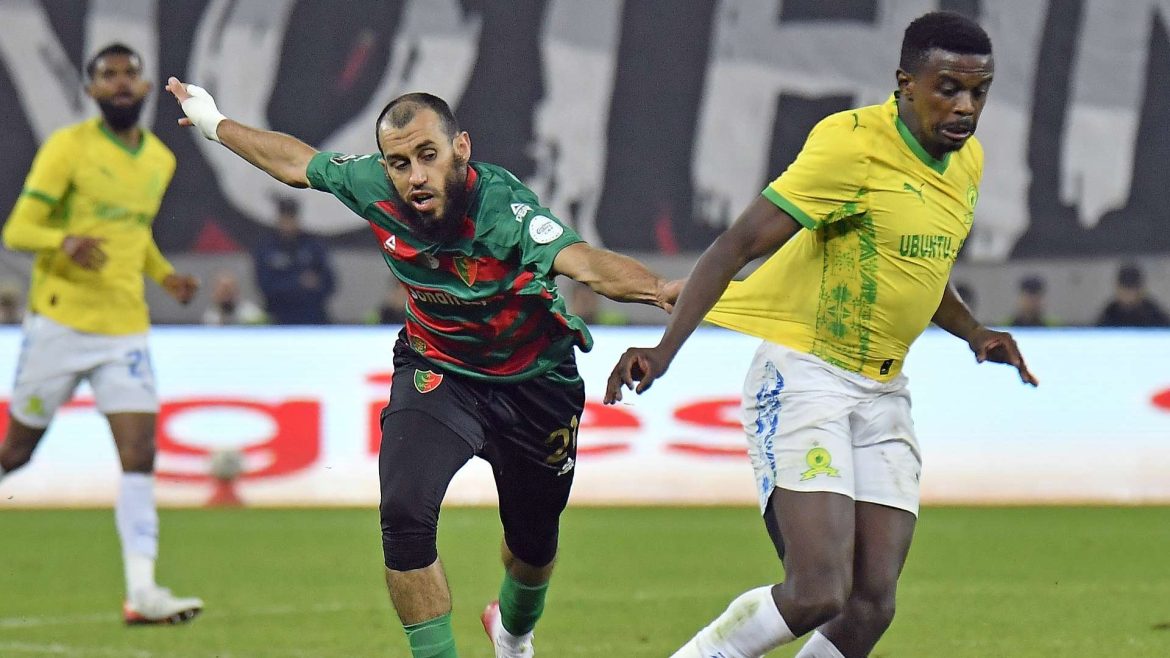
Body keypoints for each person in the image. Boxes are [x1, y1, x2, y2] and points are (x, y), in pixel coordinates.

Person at [165, 80, 680, 657]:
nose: (414, 177)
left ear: (461, 147)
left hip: (535, 383)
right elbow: (296, 163)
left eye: (427, 156)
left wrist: (659, 289)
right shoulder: (373, 186)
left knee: (534, 547)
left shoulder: (504, 210)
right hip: (439, 371)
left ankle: (512, 637)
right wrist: (213, 122)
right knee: (404, 513)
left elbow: (583, 261)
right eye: (399, 163)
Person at [605, 12, 1037, 658]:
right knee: (816, 592)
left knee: (871, 607)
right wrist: (664, 352)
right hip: (807, 375)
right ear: (906, 83)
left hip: (884, 391)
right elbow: (737, 244)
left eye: (979, 91)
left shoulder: (966, 162)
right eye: (948, 88)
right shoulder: (850, 146)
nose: (965, 107)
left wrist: (973, 332)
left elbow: (919, 269)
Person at [0, 43, 203, 625]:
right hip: (59, 323)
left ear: (145, 88)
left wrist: (165, 275)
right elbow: (18, 229)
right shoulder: (67, 148)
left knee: (140, 454)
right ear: (90, 91)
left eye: (129, 75)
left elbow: (135, 234)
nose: (120, 83)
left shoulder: (159, 159)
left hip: (124, 330)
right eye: (107, 76)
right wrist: (61, 241)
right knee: (16, 453)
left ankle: (142, 592)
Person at [253, 197, 336, 324]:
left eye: (291, 218)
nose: (288, 223)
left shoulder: (313, 245)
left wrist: (313, 285)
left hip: (312, 316)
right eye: (284, 218)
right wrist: (297, 282)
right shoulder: (267, 248)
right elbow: (265, 285)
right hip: (278, 316)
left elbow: (329, 283)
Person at [1096, 262, 1169, 327]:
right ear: (1118, 289)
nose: (1129, 296)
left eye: (1132, 290)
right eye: (1125, 291)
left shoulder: (1153, 313)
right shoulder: (1110, 313)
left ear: (1141, 290)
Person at [201, 268, 266, 325]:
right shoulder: (210, 316)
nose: (226, 295)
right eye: (222, 291)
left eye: (228, 290)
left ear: (237, 291)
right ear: (214, 293)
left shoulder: (251, 314)